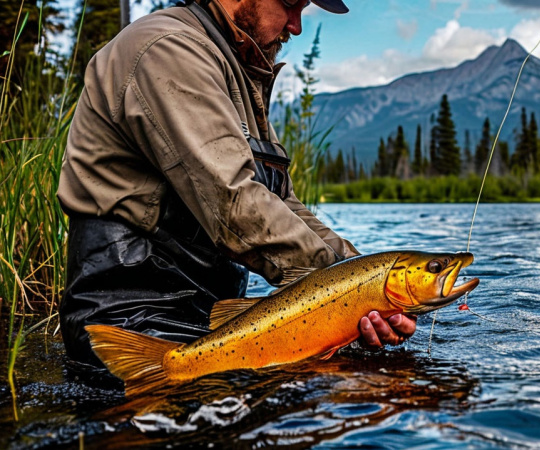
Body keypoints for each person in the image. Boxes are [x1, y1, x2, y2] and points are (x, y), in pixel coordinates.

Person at [57, 0, 415, 377]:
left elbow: (281, 203)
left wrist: (369, 276)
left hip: (206, 320)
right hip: (133, 319)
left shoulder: (233, 71)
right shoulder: (168, 49)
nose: (296, 26)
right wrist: (360, 291)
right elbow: (234, 204)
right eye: (291, 5)